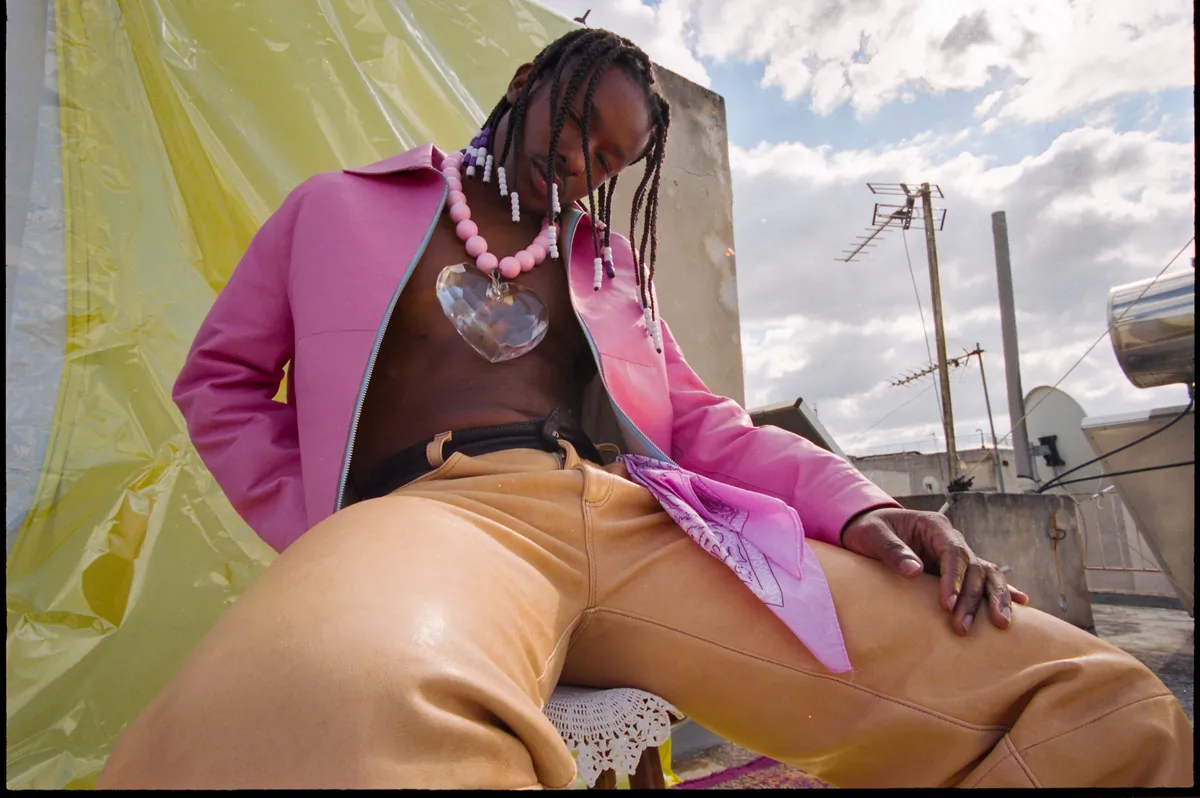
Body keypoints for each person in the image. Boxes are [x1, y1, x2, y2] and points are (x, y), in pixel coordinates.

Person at [96, 28, 1192, 790]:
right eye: (580, 128)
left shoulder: (608, 269)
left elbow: (706, 424)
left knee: (1094, 699)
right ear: (525, 82)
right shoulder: (337, 209)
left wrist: (863, 508)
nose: (585, 165)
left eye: (612, 160)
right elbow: (221, 383)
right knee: (317, 726)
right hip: (436, 514)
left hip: (637, 521)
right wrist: (326, 535)